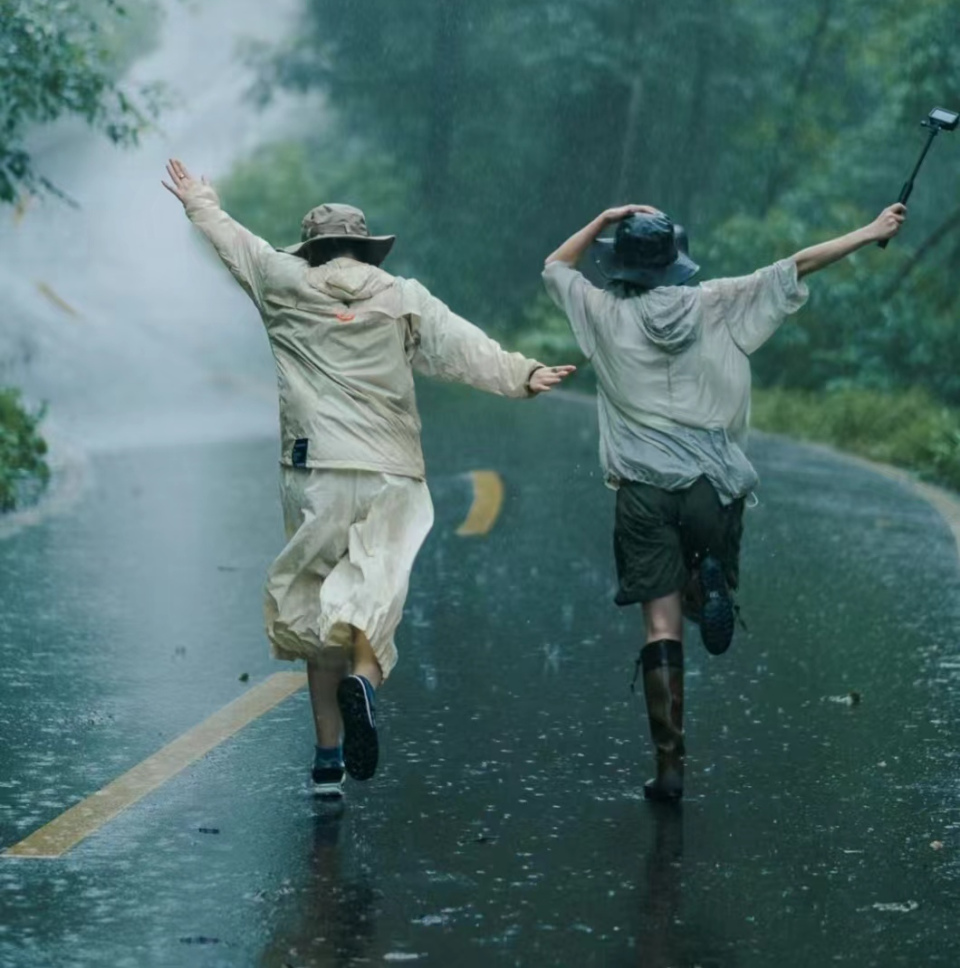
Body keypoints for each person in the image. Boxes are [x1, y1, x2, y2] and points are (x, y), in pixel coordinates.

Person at [162, 159, 575, 796]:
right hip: (391, 474)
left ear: (313, 246)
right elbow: (462, 346)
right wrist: (523, 375)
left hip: (313, 469)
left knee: (316, 611)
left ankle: (327, 761)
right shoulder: (403, 295)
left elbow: (232, 241)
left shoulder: (280, 280)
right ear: (366, 247)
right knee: (370, 606)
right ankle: (365, 682)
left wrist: (200, 201)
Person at [543, 200, 907, 801]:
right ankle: (709, 578)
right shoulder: (718, 301)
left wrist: (604, 218)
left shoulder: (600, 312)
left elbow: (556, 264)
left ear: (621, 266)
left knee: (660, 625)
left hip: (642, 493)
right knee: (700, 570)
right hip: (714, 489)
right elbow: (797, 265)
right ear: (674, 262)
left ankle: (670, 765)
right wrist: (872, 231)